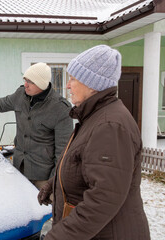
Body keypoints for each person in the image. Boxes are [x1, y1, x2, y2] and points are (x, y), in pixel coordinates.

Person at [38, 45, 150, 239]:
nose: (68, 85)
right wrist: (54, 184)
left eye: (73, 79)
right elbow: (83, 166)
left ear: (92, 84)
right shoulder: (95, 117)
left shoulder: (109, 125)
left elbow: (104, 198)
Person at [0, 62, 73, 189]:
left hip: (43, 178)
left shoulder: (60, 108)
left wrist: (53, 182)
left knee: (45, 208)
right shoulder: (21, 95)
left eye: (30, 82)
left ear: (41, 84)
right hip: (19, 168)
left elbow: (63, 152)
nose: (25, 84)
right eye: (25, 80)